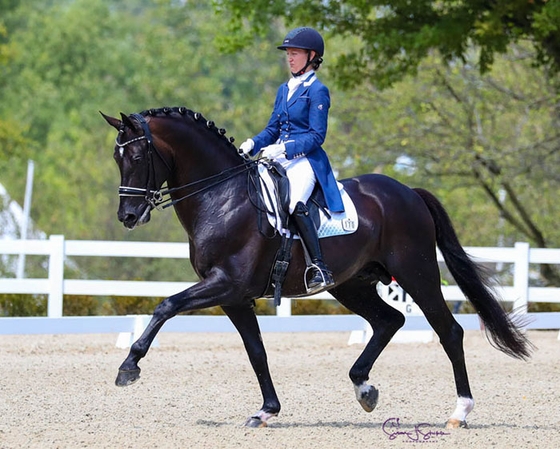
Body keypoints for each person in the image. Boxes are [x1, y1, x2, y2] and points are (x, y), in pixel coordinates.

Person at [239, 27, 344, 294]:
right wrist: (254, 142)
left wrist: (285, 149)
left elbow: (317, 135)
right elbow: (273, 128)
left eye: (295, 53)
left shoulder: (318, 90)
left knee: (295, 202)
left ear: (311, 56)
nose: (290, 58)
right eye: (288, 53)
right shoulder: (284, 89)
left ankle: (319, 267)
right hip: (279, 157)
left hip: (306, 160)